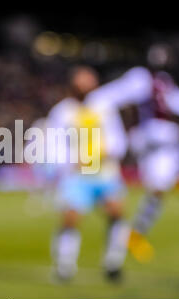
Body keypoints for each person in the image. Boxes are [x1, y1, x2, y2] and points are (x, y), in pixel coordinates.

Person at [46, 66, 134, 282]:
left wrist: (106, 154)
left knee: (116, 213)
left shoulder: (104, 108)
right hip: (77, 175)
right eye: (81, 82)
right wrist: (68, 163)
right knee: (71, 218)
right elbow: (53, 143)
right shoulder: (62, 111)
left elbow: (118, 140)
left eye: (89, 81)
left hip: (105, 172)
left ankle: (113, 263)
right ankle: (65, 266)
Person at [123, 67, 179, 262]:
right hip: (148, 139)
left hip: (152, 140)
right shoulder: (140, 79)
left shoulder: (164, 82)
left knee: (158, 192)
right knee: (173, 141)